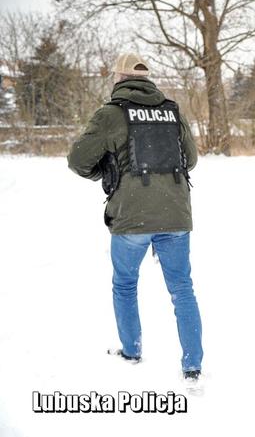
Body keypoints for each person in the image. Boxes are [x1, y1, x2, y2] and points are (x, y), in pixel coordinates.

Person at [67, 53, 204, 382]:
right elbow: (192, 159)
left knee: (125, 285)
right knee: (182, 289)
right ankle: (192, 364)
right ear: (147, 78)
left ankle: (131, 350)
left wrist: (106, 171)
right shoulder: (172, 111)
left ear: (118, 78)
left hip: (131, 217)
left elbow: (78, 160)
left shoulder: (110, 115)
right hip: (175, 214)